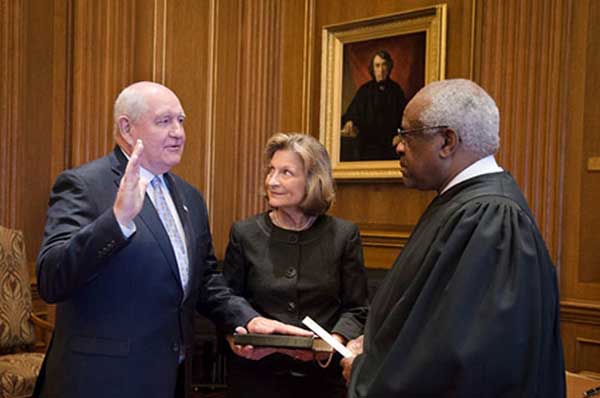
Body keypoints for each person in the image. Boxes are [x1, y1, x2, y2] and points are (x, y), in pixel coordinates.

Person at [33, 82, 309, 398]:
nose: (178, 132)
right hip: (98, 383)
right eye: (164, 121)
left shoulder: (189, 196)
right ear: (126, 127)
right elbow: (51, 279)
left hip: (169, 380)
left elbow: (205, 281)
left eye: (181, 121)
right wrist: (117, 221)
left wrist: (248, 318)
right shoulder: (83, 185)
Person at [341, 79, 566, 397]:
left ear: (447, 141)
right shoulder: (462, 204)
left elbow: (459, 361)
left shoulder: (492, 220)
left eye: (407, 134)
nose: (398, 145)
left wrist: (367, 372)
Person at [222, 133, 369, 398]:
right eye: (271, 171)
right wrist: (236, 338)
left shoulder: (344, 235)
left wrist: (331, 344)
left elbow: (357, 308)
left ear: (313, 180)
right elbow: (229, 300)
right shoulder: (244, 233)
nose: (272, 181)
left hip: (322, 381)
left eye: (286, 172)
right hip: (257, 379)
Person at [341, 50, 407, 161]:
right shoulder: (364, 90)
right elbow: (352, 113)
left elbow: (405, 117)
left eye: (384, 65)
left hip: (390, 144)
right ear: (373, 68)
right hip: (367, 145)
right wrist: (350, 122)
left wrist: (400, 135)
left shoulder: (396, 90)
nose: (381, 70)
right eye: (377, 66)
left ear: (389, 67)